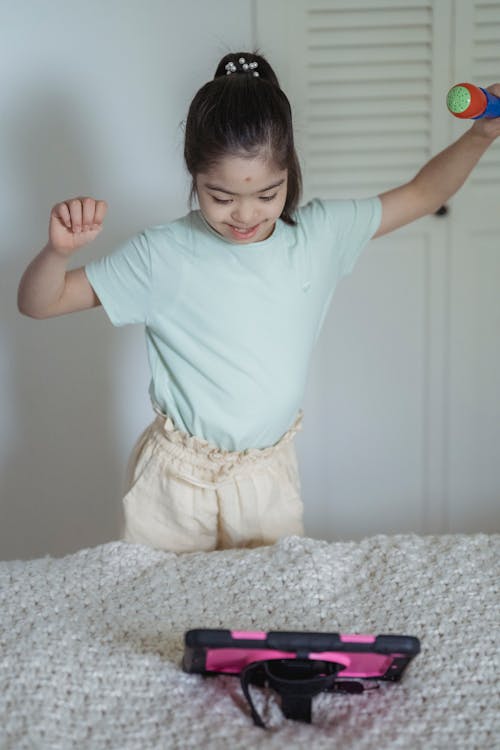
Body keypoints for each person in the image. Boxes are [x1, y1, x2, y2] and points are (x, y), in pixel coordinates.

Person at [17, 52, 500, 554]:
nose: (245, 215)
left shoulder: (319, 237)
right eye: (221, 198)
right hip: (175, 486)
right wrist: (59, 252)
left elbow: (424, 193)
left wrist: (481, 135)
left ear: (289, 172)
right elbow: (40, 302)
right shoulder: (160, 255)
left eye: (268, 194)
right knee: (167, 619)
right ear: (193, 174)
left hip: (267, 479)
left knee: (265, 620)